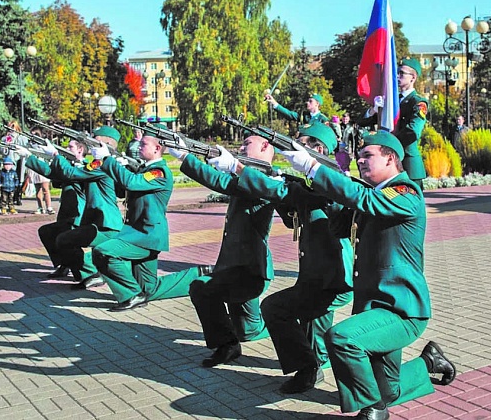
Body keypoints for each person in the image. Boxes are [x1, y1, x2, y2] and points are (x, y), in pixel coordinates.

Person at [280, 130, 456, 420]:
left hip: (401, 310)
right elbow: (338, 226)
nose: (360, 160)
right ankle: (428, 362)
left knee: (340, 338)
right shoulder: (372, 197)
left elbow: (365, 201)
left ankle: (373, 409)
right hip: (373, 309)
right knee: (388, 391)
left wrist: (314, 167)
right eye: (359, 156)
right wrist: (318, 190)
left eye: (367, 155)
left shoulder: (405, 193)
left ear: (391, 158)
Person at [236, 122, 354, 394]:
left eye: (302, 144)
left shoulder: (334, 182)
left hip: (334, 280)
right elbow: (292, 220)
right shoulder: (311, 183)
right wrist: (282, 188)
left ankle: (308, 370)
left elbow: (331, 202)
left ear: (318, 149)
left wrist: (290, 185)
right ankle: (312, 367)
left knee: (276, 309)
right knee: (313, 334)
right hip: (315, 278)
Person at [170, 135, 276, 368]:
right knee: (247, 329)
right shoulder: (249, 176)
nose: (240, 147)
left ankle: (228, 345)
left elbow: (220, 182)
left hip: (250, 269)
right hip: (236, 265)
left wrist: (186, 156)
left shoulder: (266, 178)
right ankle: (237, 338)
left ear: (265, 146)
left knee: (203, 289)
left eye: (246, 143)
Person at [91, 128, 204, 312]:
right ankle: (198, 276)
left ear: (157, 148)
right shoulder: (145, 169)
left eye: (143, 144)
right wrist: (119, 168)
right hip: (138, 233)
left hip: (145, 235)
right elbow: (124, 190)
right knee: (149, 289)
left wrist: (107, 160)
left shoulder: (159, 172)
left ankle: (131, 295)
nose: (139, 146)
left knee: (103, 252)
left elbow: (132, 183)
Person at [50, 126, 125, 289]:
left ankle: (96, 273)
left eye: (93, 142)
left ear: (104, 145)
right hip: (96, 220)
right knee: (64, 238)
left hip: (107, 223)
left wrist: (56, 154)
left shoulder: (103, 165)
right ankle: (92, 273)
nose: (90, 146)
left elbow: (74, 174)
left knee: (66, 239)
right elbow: (63, 175)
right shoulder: (99, 164)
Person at [19, 140, 88, 279]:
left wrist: (56, 155)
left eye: (70, 147)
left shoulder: (87, 167)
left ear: (80, 150)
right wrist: (30, 156)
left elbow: (71, 175)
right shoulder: (68, 165)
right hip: (66, 211)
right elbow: (52, 174)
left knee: (65, 238)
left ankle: (85, 271)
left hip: (79, 213)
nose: (66, 148)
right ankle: (64, 264)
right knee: (47, 232)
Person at [361, 58, 428, 188]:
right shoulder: (391, 101)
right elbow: (362, 122)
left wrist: (389, 144)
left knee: (410, 205)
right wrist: (374, 109)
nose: (397, 76)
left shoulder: (418, 102)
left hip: (408, 163)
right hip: (389, 163)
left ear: (413, 78)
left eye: (402, 73)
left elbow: (413, 131)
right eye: (397, 72)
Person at [1, 120, 29, 206]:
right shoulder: (5, 138)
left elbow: (26, 146)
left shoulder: (21, 137)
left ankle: (18, 196)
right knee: (11, 179)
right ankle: (11, 197)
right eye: (10, 126)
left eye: (13, 126)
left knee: (20, 178)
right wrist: (6, 145)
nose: (11, 128)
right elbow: (3, 151)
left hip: (20, 159)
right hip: (11, 161)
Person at [265, 92, 330, 125]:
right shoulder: (303, 115)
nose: (307, 103)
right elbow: (289, 114)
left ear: (317, 104)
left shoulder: (323, 119)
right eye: (308, 101)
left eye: (310, 101)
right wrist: (274, 102)